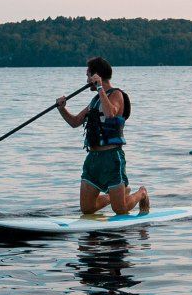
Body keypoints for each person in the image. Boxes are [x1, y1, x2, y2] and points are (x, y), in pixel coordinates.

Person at [57, 57, 150, 216]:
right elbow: (75, 122)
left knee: (120, 209)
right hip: (93, 159)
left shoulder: (116, 94)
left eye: (88, 75)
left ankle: (141, 193)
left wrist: (100, 86)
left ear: (96, 76)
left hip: (111, 158)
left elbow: (110, 113)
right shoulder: (94, 101)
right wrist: (61, 108)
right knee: (87, 209)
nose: (87, 80)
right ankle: (113, 196)